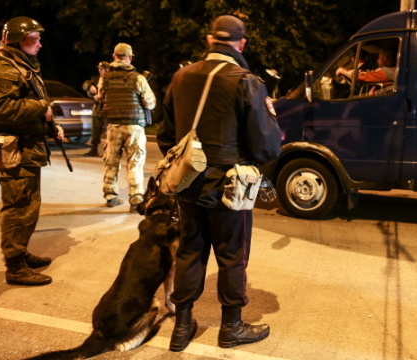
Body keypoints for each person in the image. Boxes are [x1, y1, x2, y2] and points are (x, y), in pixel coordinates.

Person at [158, 15, 281, 351]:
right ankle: (232, 328)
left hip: (187, 184)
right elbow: (266, 146)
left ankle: (181, 327)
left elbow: (166, 136)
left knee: (190, 250)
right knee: (232, 256)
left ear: (210, 41)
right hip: (230, 187)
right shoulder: (246, 81)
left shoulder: (181, 77)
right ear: (240, 45)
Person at [0, 16, 64, 286]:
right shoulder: (3, 69)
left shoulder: (21, 65)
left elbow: (34, 103)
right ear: (16, 40)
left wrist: (52, 126)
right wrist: (42, 109)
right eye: (34, 39)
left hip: (28, 147)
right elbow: (0, 110)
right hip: (15, 150)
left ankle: (21, 252)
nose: (39, 44)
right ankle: (15, 267)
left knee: (28, 206)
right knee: (18, 208)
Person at [98, 43, 155, 212]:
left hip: (113, 126)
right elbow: (150, 103)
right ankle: (136, 198)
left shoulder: (105, 78)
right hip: (134, 127)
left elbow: (100, 98)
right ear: (130, 57)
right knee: (135, 162)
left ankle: (110, 195)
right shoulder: (138, 78)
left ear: (114, 55)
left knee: (111, 161)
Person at [82, 61, 110, 157]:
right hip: (98, 106)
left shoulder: (112, 79)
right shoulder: (96, 79)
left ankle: (110, 150)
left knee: (109, 129)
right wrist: (90, 87)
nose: (100, 71)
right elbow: (85, 86)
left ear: (107, 69)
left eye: (102, 69)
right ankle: (94, 149)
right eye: (99, 69)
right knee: (95, 128)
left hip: (108, 106)